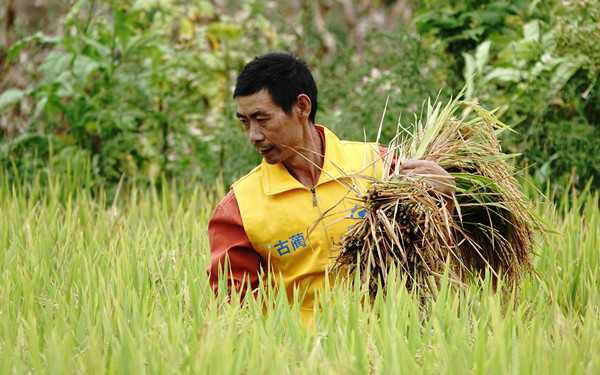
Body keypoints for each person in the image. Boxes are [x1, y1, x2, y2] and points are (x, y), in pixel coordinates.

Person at [207, 52, 455, 321]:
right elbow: (233, 313)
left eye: (262, 119)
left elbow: (433, 263)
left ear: (302, 107)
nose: (253, 135)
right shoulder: (239, 208)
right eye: (245, 122)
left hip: (389, 348)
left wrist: (446, 198)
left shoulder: (380, 167)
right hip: (298, 356)